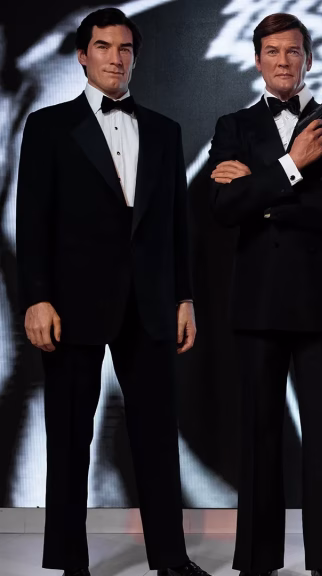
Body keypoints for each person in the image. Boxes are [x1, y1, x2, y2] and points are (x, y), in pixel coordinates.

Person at [16, 7, 208, 576]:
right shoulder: (48, 127)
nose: (115, 57)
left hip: (151, 303)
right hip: (70, 305)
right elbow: (33, 220)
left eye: (125, 48)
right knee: (69, 437)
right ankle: (69, 562)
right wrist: (36, 297)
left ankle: (170, 560)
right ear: (83, 55)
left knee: (156, 438)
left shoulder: (166, 131)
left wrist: (184, 297)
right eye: (103, 46)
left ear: (134, 58)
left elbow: (176, 225)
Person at [207, 12, 322, 576]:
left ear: (308, 59)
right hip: (257, 301)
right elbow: (224, 210)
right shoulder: (232, 126)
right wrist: (293, 167)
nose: (282, 61)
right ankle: (256, 559)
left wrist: (261, 192)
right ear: (257, 61)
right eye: (272, 52)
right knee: (258, 434)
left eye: (292, 51)